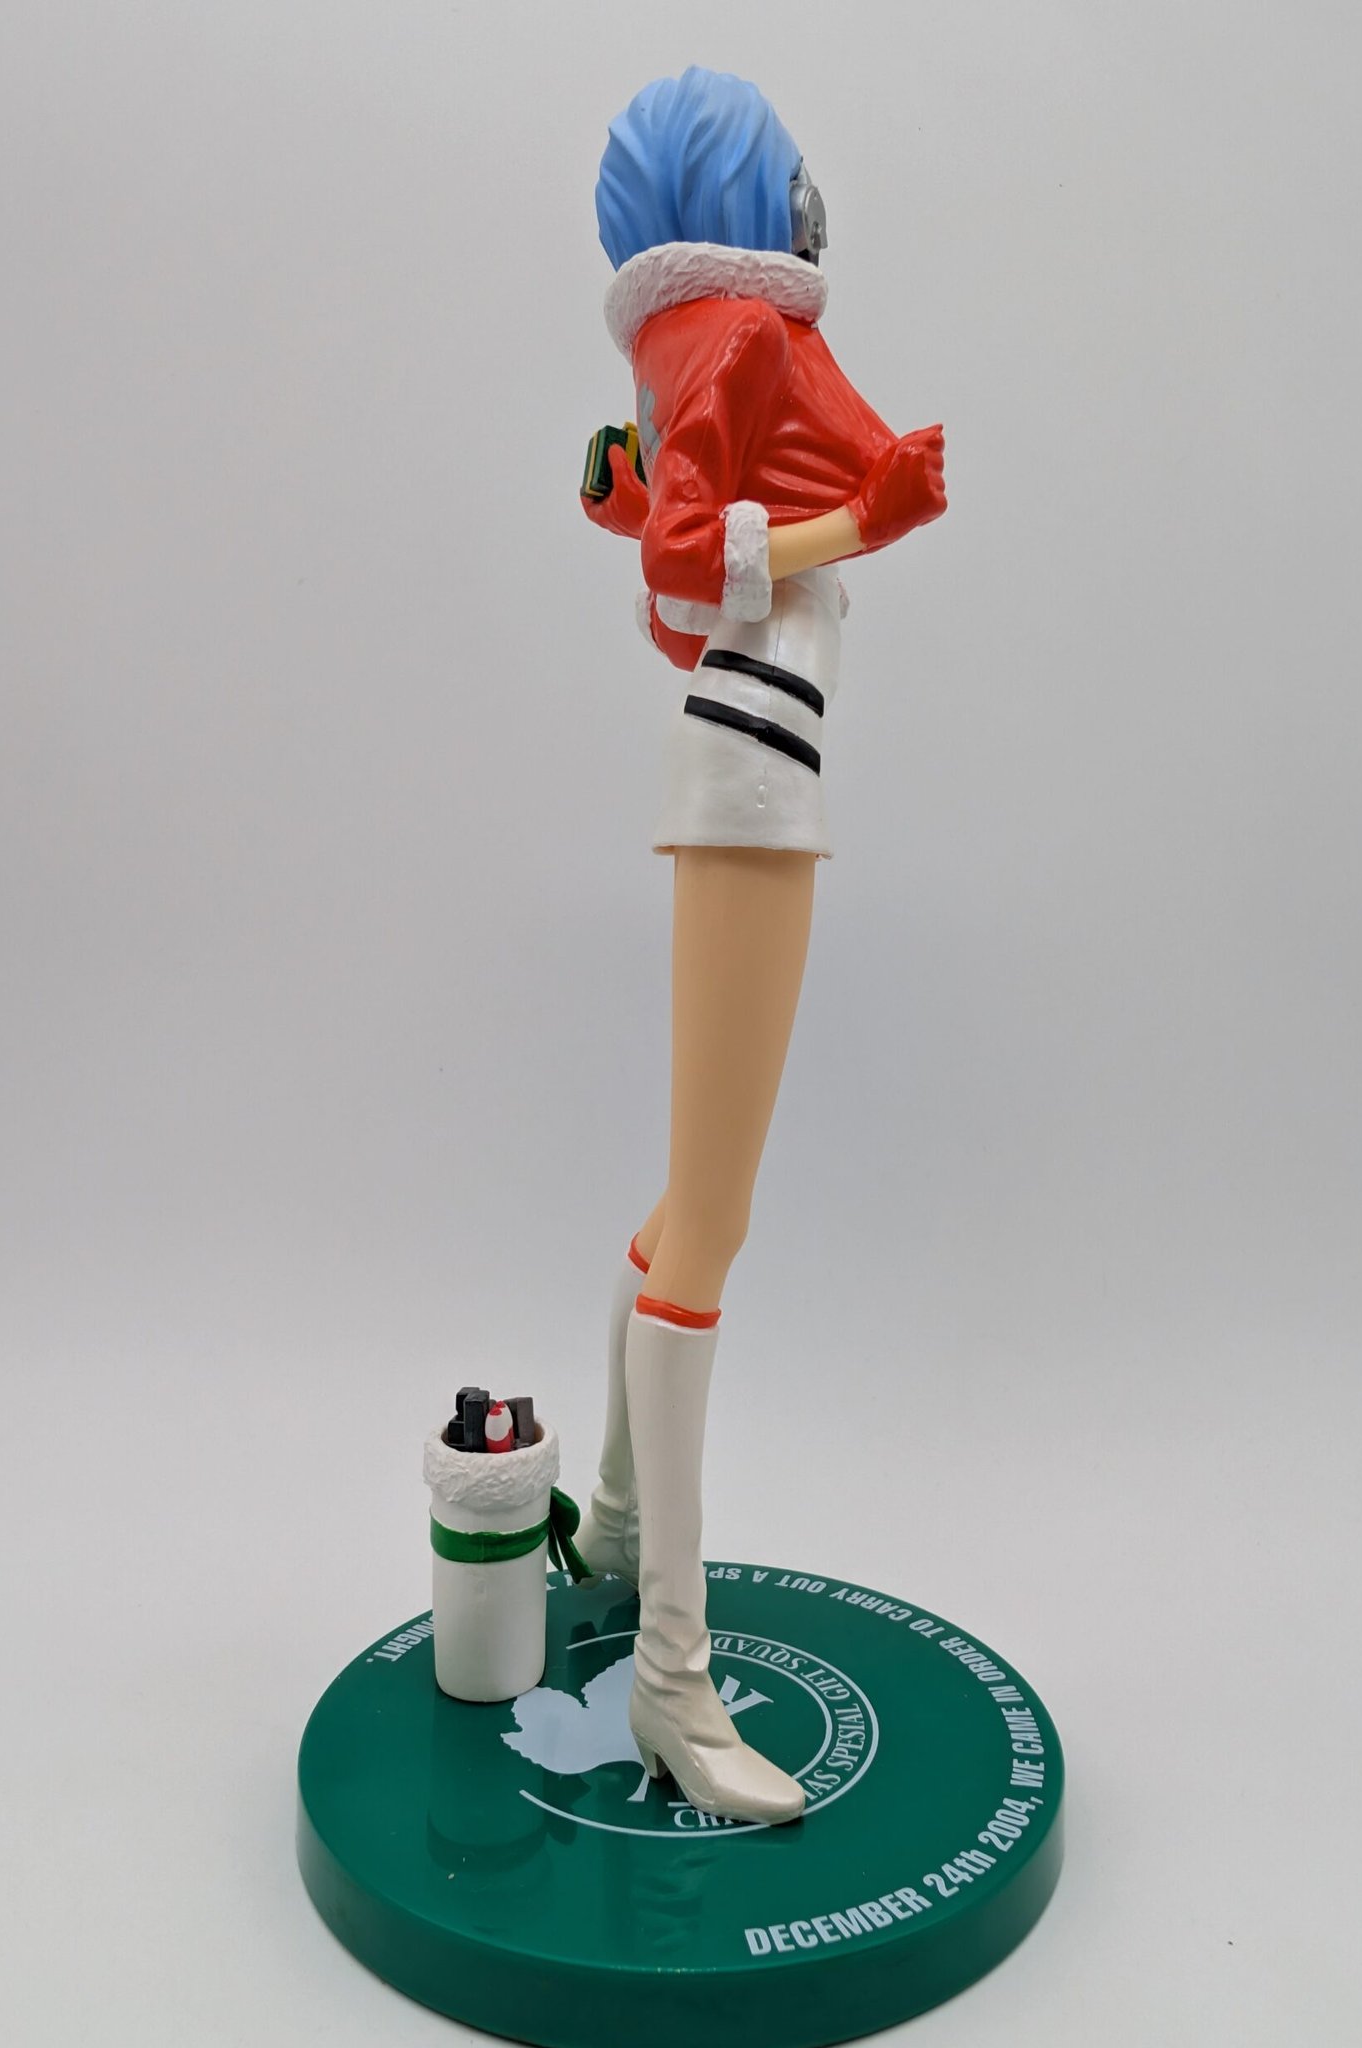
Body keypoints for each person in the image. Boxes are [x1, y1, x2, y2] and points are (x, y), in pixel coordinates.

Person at [576, 65, 946, 1824]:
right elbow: (676, 579)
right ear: (739, 182)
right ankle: (670, 1678)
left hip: (750, 759)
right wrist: (864, 522)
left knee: (689, 1200)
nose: (810, 202)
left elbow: (658, 526)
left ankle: (614, 1527)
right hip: (752, 768)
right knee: (710, 1230)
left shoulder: (708, 335)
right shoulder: (732, 332)